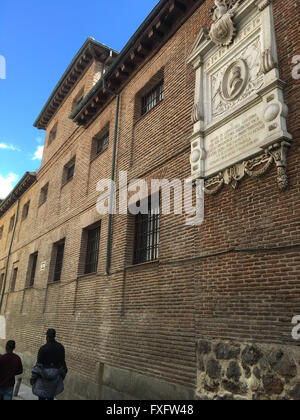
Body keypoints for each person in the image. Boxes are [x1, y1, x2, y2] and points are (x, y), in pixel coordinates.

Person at [30, 329, 67, 401]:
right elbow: (63, 364)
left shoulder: (43, 349)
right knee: (51, 396)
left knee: (41, 396)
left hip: (42, 378)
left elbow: (38, 366)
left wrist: (33, 379)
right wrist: (61, 376)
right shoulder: (60, 347)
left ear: (47, 337)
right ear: (54, 336)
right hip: (55, 378)